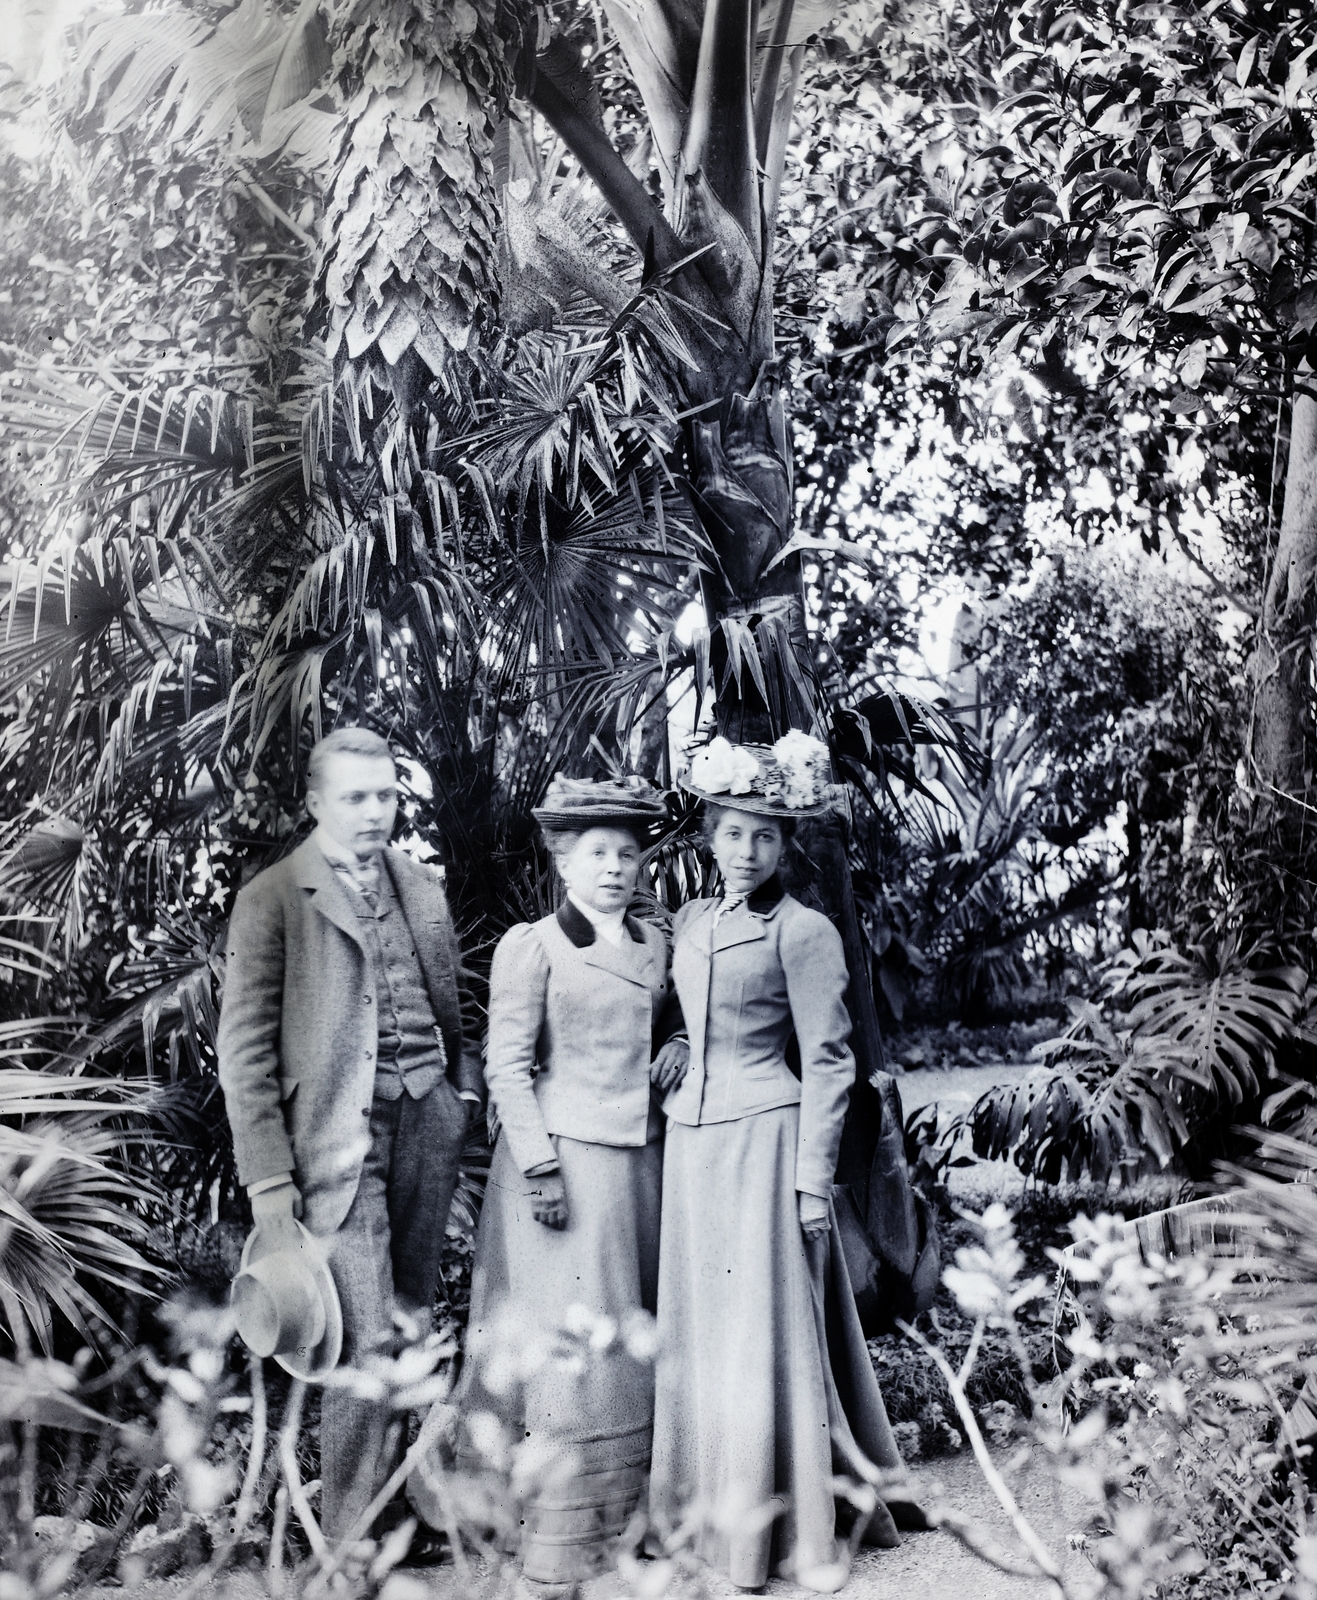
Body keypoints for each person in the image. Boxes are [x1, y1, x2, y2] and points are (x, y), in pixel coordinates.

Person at [650, 735, 923, 1591]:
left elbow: (830, 1062)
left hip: (765, 1148)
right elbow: (690, 1010)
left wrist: (810, 1185)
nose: (746, 851)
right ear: (709, 836)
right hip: (692, 1148)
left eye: (764, 836)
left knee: (762, 1332)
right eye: (733, 833)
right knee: (704, 1330)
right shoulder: (691, 922)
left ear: (783, 844)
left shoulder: (804, 931)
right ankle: (699, 1518)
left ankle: (786, 1529)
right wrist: (679, 1041)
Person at [410, 776, 683, 1596]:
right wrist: (537, 1166)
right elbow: (505, 1066)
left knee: (630, 1336)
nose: (614, 869)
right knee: (574, 1351)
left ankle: (631, 1521)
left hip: (642, 1164)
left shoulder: (656, 943)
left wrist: (679, 1045)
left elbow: (672, 1022)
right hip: (564, 1166)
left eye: (627, 855)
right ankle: (559, 1538)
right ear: (564, 863)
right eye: (596, 854)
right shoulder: (533, 946)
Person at [217, 727, 483, 1547]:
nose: (374, 812)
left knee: (404, 1325)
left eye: (385, 796)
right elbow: (244, 1056)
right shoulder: (272, 898)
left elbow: (453, 1004)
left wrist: (462, 1094)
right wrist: (269, 1187)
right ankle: (350, 1550)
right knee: (362, 1337)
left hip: (426, 1121)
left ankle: (390, 1522)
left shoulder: (420, 885)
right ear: (314, 802)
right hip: (333, 1142)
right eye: (354, 797)